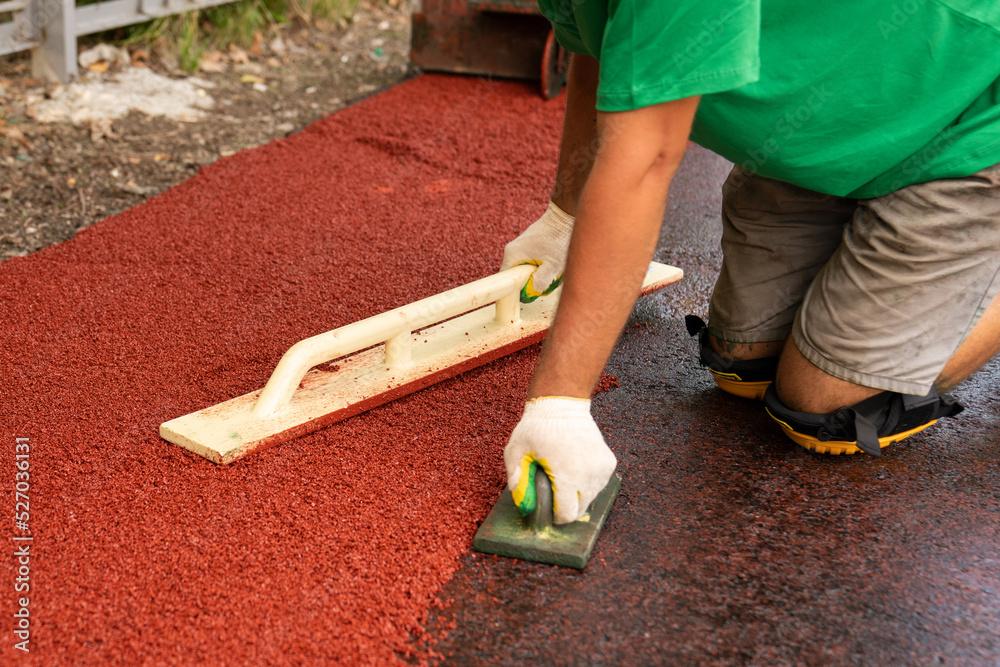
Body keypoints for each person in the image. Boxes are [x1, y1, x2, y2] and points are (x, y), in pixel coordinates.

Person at [499, 1, 1000, 524]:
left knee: (824, 407)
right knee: (741, 365)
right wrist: (564, 218)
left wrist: (560, 401)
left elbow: (645, 160)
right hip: (843, 112)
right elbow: (600, 43)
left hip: (969, 116)